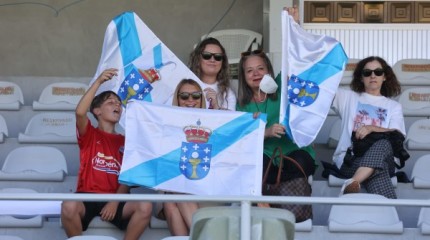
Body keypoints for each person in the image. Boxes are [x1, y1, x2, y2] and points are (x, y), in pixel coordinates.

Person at [61, 68, 152, 240]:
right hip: (87, 195)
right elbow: (80, 112)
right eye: (111, 102)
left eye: (119, 103)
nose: (117, 105)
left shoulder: (127, 141)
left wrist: (114, 202)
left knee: (146, 206)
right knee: (68, 206)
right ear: (97, 111)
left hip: (116, 197)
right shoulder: (90, 134)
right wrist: (98, 82)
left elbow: (127, 176)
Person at [236, 50, 316, 220]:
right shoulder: (241, 106)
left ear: (269, 71)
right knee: (254, 167)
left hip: (293, 153)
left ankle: (265, 199)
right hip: (266, 157)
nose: (256, 74)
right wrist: (266, 132)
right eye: (249, 71)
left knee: (302, 162)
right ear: (244, 77)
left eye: (260, 68)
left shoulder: (282, 88)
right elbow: (242, 140)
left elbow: (294, 59)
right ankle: (273, 201)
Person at [332, 56, 405, 199]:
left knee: (384, 143)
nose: (373, 75)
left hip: (384, 157)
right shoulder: (347, 98)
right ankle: (390, 217)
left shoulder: (394, 107)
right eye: (367, 72)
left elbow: (397, 135)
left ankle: (354, 182)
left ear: (384, 77)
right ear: (361, 77)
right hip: (350, 161)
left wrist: (372, 128)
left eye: (378, 72)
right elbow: (321, 89)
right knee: (379, 170)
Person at [158, 78, 204, 236]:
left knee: (174, 199)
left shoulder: (215, 119)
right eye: (184, 96)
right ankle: (204, 236)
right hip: (174, 185)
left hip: (204, 187)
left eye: (196, 96)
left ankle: (204, 236)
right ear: (177, 98)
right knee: (173, 198)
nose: (190, 100)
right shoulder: (168, 123)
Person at [189, 37, 236, 110]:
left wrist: (216, 106)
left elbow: (230, 121)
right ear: (198, 59)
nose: (212, 60)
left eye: (218, 56)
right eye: (206, 55)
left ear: (222, 62)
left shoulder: (228, 94)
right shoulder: (186, 87)